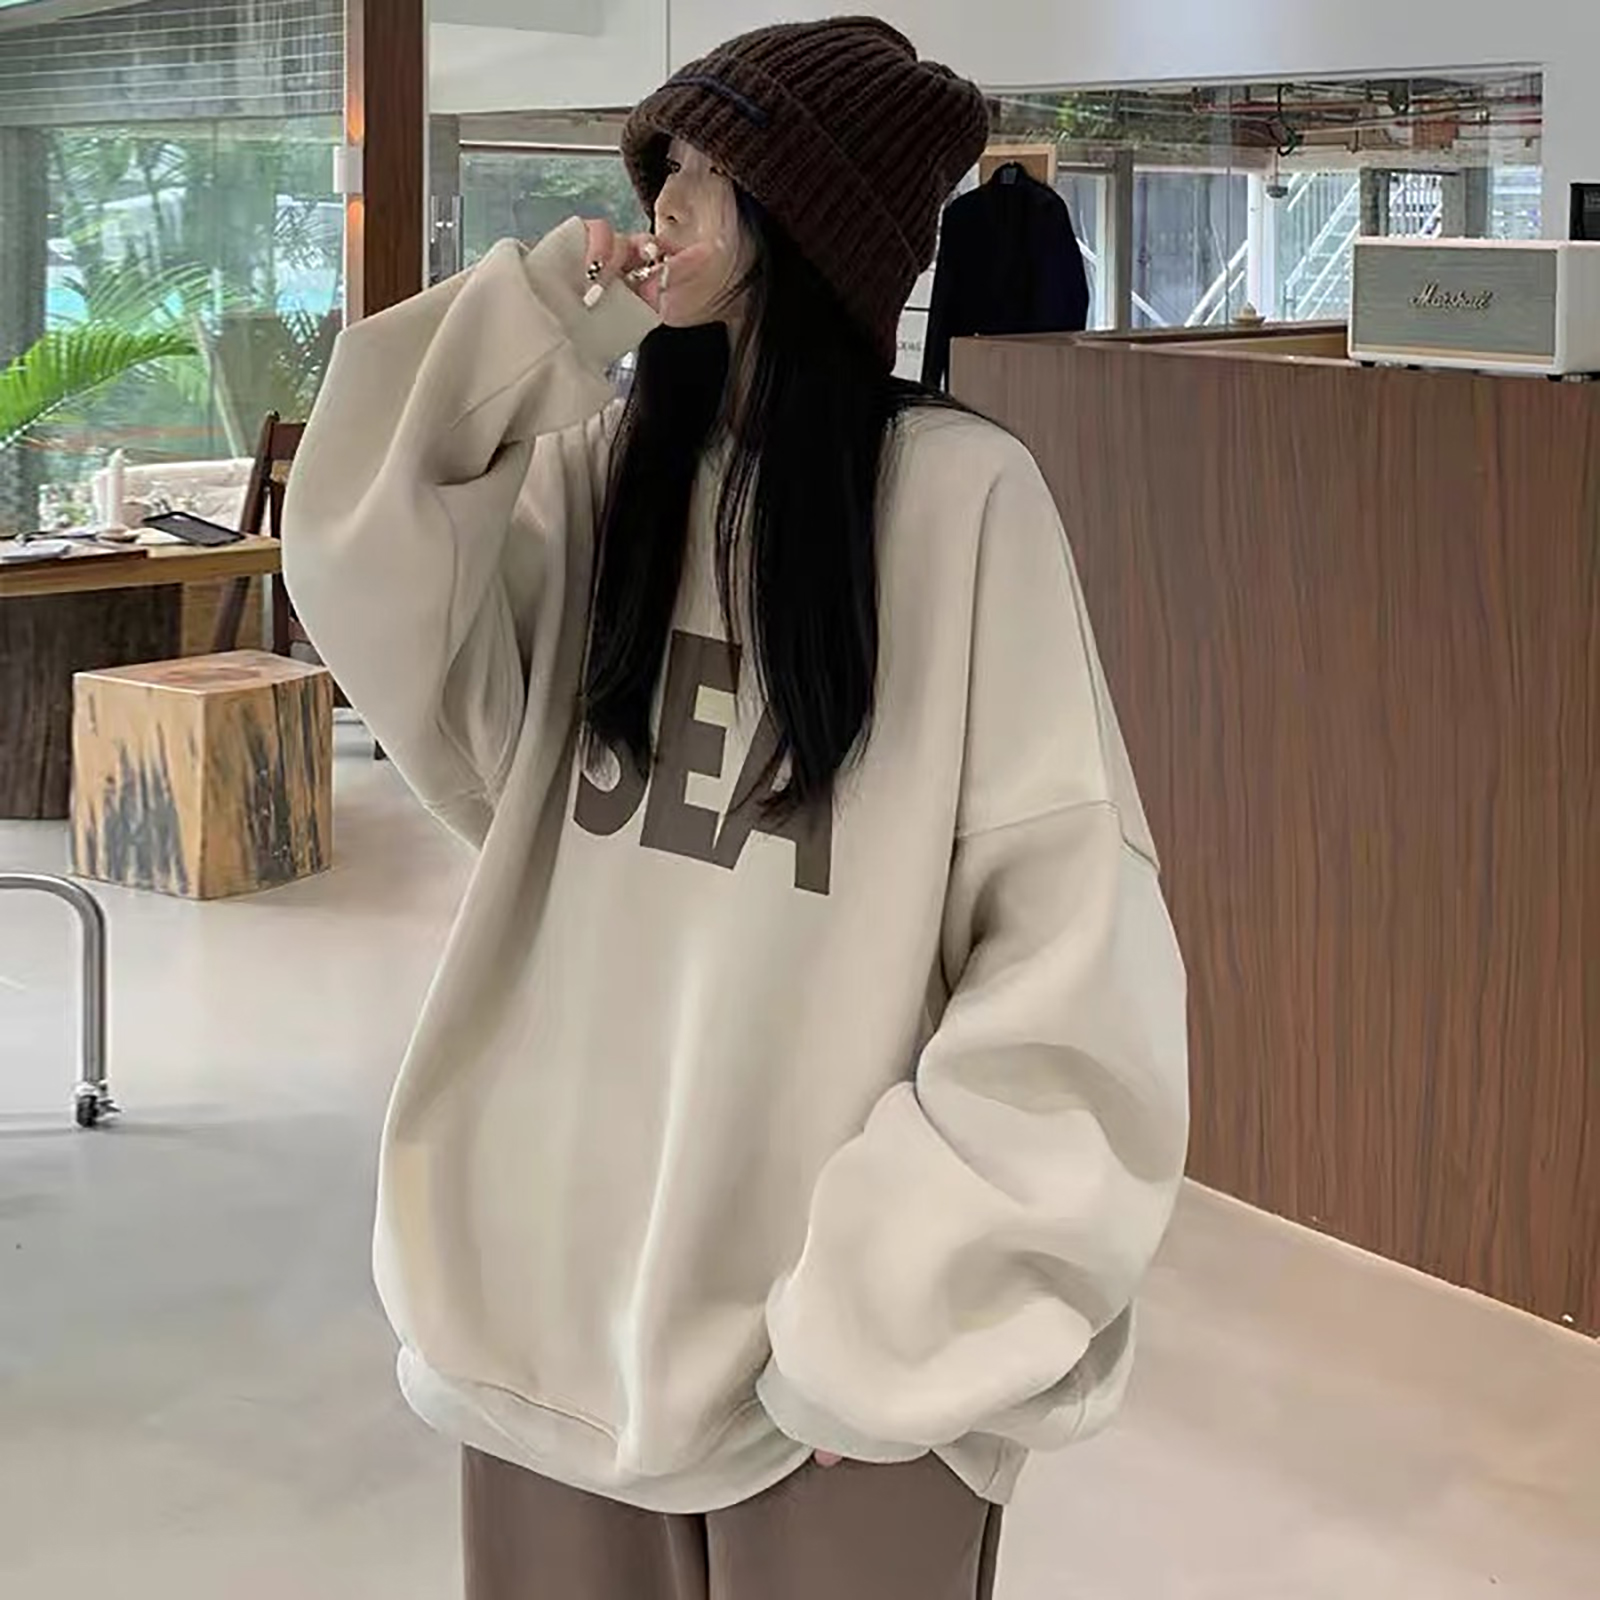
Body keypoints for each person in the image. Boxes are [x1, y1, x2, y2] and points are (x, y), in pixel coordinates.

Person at [284, 17, 1188, 1600]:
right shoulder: (602, 470)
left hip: (832, 1370)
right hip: (551, 1319)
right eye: (668, 166)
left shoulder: (959, 504)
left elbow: (1068, 953)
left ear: (811, 223)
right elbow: (362, 565)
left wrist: (894, 1317)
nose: (668, 202)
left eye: (715, 171)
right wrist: (529, 327)